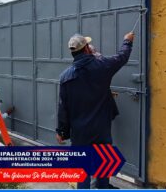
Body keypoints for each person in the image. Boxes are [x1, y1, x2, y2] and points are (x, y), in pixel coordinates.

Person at [56, 32, 134, 189]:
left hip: (79, 131)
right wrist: (127, 41)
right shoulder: (102, 66)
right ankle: (103, 186)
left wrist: (61, 132)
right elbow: (122, 57)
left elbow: (63, 108)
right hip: (101, 127)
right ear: (86, 49)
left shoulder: (65, 77)